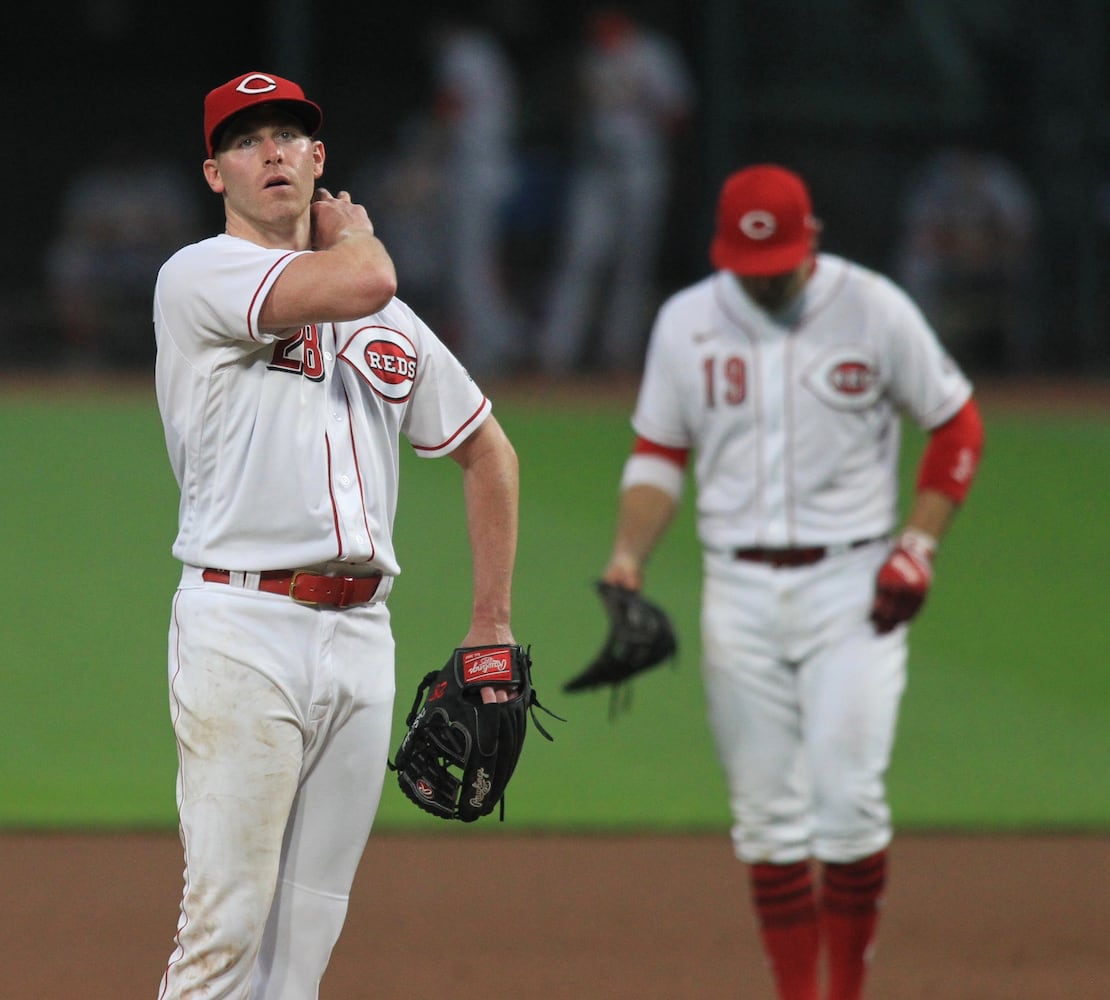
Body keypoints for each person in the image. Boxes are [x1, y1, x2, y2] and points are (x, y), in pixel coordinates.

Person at [152, 71, 522, 997]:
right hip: (244, 631)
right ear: (215, 174)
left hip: (362, 642)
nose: (271, 152)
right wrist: (356, 233)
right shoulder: (200, 276)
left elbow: (489, 453)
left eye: (288, 136)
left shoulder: (383, 320)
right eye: (246, 141)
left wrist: (491, 626)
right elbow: (368, 274)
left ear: (319, 159)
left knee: (303, 947)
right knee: (224, 930)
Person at [598, 164, 984, 1000]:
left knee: (847, 806)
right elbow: (661, 450)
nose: (762, 282)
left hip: (855, 587)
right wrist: (629, 555)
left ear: (810, 243)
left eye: (775, 268)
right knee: (769, 822)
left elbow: (957, 423)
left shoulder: (874, 308)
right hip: (735, 592)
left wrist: (918, 543)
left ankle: (844, 992)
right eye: (747, 267)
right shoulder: (687, 320)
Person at [536, 6, 695, 374]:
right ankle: (555, 353)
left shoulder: (653, 53)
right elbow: (575, 109)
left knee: (631, 264)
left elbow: (679, 113)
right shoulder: (592, 55)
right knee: (579, 256)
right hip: (596, 169)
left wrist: (641, 105)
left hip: (640, 169)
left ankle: (617, 352)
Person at [427, 11, 524, 375]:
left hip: (474, 169)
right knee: (480, 263)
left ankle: (491, 344)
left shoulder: (462, 50)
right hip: (493, 166)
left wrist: (426, 153)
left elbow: (450, 105)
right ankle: (500, 339)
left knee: (468, 264)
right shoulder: (487, 50)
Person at [894, 146, 1041, 373]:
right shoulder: (936, 180)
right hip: (947, 260)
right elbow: (923, 236)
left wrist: (983, 250)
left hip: (994, 260)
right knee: (917, 267)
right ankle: (922, 361)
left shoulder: (999, 180)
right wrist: (962, 250)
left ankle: (1023, 361)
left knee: (1023, 269)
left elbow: (1019, 233)